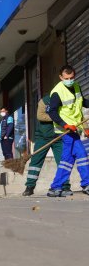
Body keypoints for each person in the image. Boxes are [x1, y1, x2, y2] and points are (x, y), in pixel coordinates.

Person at [46, 65, 89, 197]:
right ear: (61, 78)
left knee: (73, 158)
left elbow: (81, 103)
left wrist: (85, 127)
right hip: (64, 130)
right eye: (67, 78)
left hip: (75, 128)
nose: (70, 80)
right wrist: (65, 125)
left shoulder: (76, 86)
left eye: (72, 77)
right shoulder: (57, 92)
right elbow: (51, 112)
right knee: (77, 155)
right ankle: (58, 186)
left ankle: (57, 187)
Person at [22, 95, 68, 196]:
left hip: (59, 136)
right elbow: (40, 116)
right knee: (36, 161)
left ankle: (65, 186)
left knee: (63, 161)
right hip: (43, 136)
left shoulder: (65, 100)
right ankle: (30, 186)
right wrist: (58, 117)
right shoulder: (45, 101)